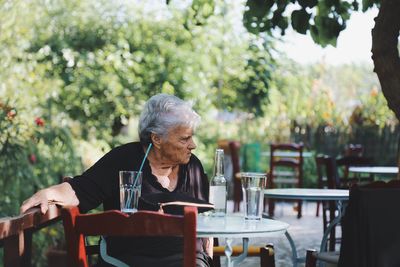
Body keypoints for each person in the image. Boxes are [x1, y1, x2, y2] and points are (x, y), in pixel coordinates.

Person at [20, 93, 213, 267]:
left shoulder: (192, 166)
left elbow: (207, 226)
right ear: (157, 139)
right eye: (184, 139)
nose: (193, 145)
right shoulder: (123, 160)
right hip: (128, 261)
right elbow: (80, 189)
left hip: (187, 260)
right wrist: (49, 193)